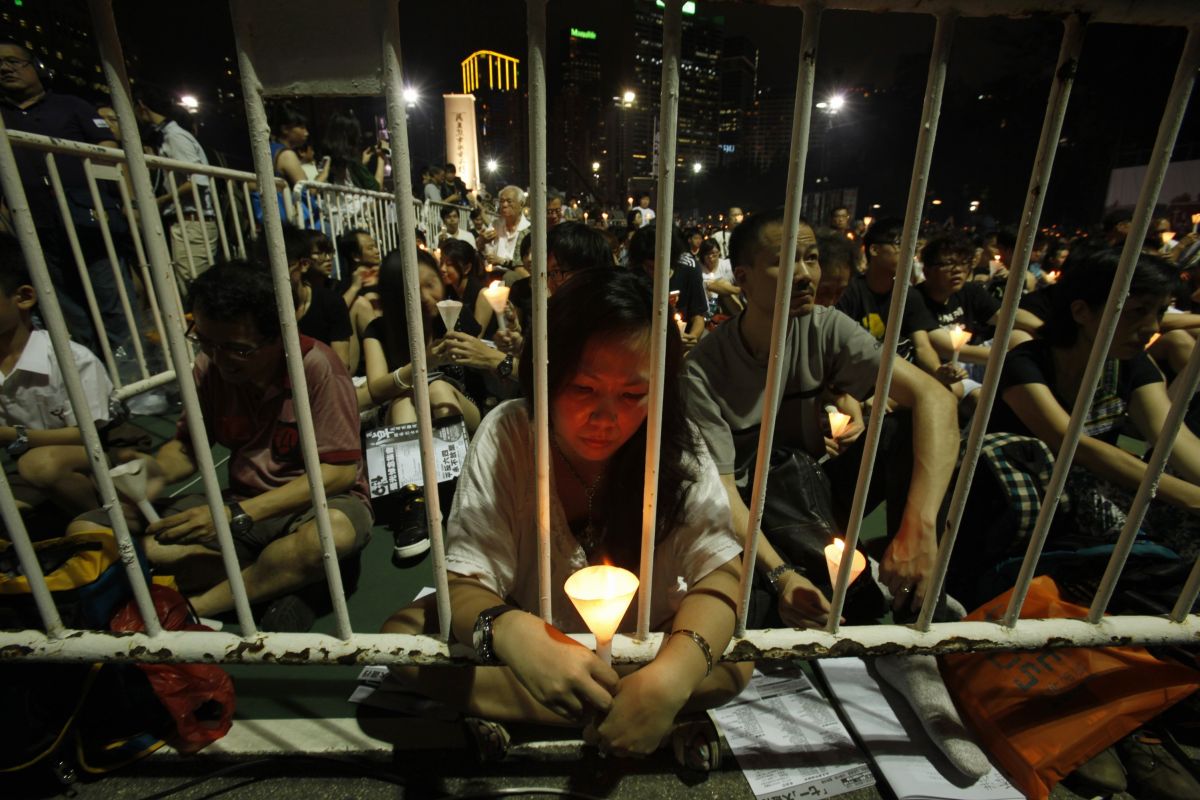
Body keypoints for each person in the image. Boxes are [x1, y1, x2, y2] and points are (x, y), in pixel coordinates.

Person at [382, 267, 749, 769]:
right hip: (539, 638)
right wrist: (515, 635)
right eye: (582, 388)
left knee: (740, 661)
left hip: (644, 644)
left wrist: (668, 680)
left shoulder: (674, 445)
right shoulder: (511, 432)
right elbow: (463, 584)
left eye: (632, 395)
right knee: (398, 640)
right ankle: (627, 712)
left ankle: (602, 706)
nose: (605, 418)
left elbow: (723, 574)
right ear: (545, 373)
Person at [684, 209, 959, 623]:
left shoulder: (824, 326)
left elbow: (934, 398)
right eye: (784, 260)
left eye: (810, 258)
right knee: (792, 602)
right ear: (742, 277)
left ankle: (916, 602)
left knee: (910, 432)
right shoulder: (704, 369)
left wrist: (918, 527)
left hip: (817, 479)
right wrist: (782, 576)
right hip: (755, 511)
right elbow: (721, 496)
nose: (805, 274)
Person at [69, 261, 373, 631]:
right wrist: (151, 473)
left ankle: (193, 610)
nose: (219, 356)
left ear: (279, 334)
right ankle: (281, 578)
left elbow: (338, 473)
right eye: (205, 340)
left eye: (237, 349)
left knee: (334, 534)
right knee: (97, 532)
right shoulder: (209, 367)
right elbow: (186, 449)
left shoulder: (317, 367)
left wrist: (234, 515)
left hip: (309, 505)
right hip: (242, 503)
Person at [984, 246, 1200, 561]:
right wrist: (1189, 496)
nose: (1153, 327)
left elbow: (1173, 436)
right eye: (1137, 311)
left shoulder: (1131, 364)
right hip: (1029, 495)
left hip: (1102, 485)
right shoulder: (1028, 363)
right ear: (1081, 311)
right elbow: (1072, 444)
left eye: (1160, 313)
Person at [0, 40, 138, 358]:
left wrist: (128, 204)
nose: (5, 68)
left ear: (36, 66)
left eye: (13, 61)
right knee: (68, 309)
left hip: (91, 222)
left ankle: (133, 373)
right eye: (0, 64)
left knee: (114, 303)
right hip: (35, 228)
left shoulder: (72, 106)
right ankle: (95, 374)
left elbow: (112, 159)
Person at [0, 234, 116, 517]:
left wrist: (11, 435)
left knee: (40, 465)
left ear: (24, 297)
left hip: (94, 457)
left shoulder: (70, 359)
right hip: (27, 468)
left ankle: (114, 524)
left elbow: (86, 435)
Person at [836, 218, 946, 382]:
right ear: (874, 250)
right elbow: (841, 351)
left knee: (950, 389)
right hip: (861, 374)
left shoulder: (908, 295)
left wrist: (939, 372)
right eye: (900, 245)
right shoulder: (849, 292)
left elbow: (922, 346)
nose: (909, 252)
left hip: (899, 372)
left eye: (912, 247)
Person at [133, 84, 220, 285]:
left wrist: (160, 201)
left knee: (195, 286)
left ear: (141, 105)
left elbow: (197, 181)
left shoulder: (175, 137)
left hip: (193, 222)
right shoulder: (169, 136)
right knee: (192, 284)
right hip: (188, 221)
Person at [272, 226, 352, 370]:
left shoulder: (331, 301)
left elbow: (341, 367)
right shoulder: (266, 307)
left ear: (304, 264)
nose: (275, 276)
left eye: (285, 267)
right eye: (269, 269)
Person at [627, 225, 707, 351]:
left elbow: (698, 315)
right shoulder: (635, 277)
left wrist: (692, 337)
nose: (654, 273)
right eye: (649, 267)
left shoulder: (688, 271)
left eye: (659, 267)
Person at [336, 228, 383, 373]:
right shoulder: (345, 285)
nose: (377, 251)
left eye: (375, 246)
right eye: (370, 247)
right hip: (363, 358)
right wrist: (355, 287)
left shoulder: (385, 276)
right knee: (361, 302)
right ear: (356, 256)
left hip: (389, 343)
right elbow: (335, 313)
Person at [482, 185, 530, 271]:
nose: (504, 205)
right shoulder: (495, 225)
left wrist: (501, 261)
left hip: (517, 276)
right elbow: (485, 250)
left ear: (521, 204)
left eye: (509, 201)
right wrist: (482, 240)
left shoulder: (528, 229)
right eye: (501, 201)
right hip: (494, 274)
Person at [697, 237, 741, 317]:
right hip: (705, 303)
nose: (711, 257)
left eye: (714, 253)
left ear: (719, 252)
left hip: (725, 303)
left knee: (724, 283)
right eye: (707, 254)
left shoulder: (726, 265)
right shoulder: (698, 267)